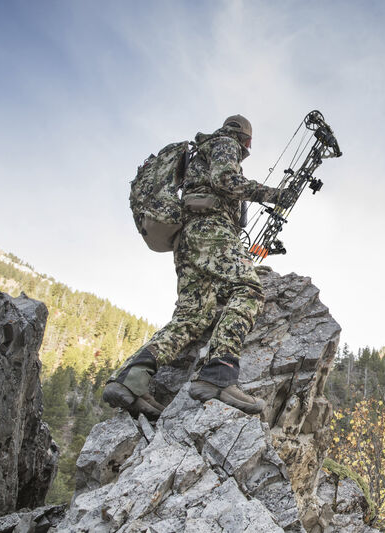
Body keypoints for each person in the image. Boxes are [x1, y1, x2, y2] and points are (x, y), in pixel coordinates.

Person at [103, 114, 293, 419]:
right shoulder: (224, 143)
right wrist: (274, 195)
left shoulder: (202, 151)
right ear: (246, 139)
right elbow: (226, 181)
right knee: (248, 289)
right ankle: (218, 376)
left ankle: (131, 380)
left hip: (187, 239)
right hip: (211, 231)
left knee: (193, 315)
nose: (247, 148)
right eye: (249, 143)